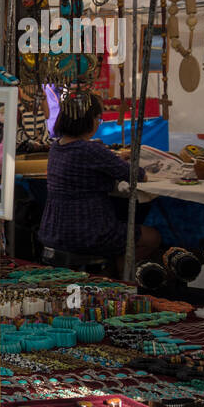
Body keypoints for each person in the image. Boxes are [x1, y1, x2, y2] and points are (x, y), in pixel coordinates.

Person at [39, 92, 161, 272]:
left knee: (124, 236)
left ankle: (118, 278)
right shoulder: (90, 150)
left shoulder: (56, 147)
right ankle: (125, 282)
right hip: (88, 232)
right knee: (153, 237)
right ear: (89, 121)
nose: (98, 123)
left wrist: (112, 157)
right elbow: (138, 175)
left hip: (54, 229)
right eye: (98, 119)